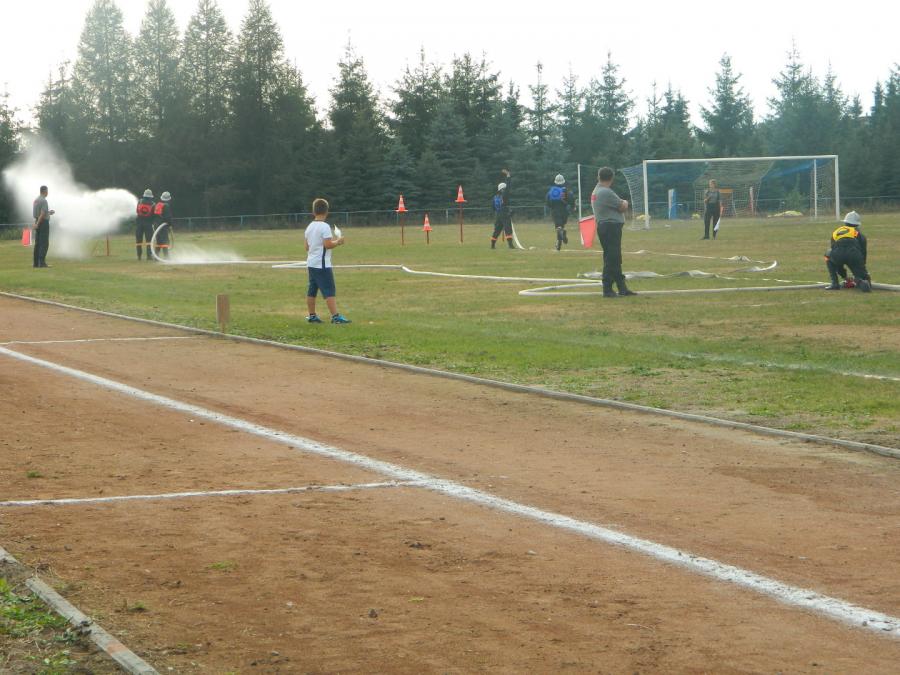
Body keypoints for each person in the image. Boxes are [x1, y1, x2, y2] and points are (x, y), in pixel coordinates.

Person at [305, 198, 351, 324]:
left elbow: (307, 247)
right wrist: (338, 241)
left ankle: (312, 315)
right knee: (329, 290)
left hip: (311, 264)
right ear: (326, 212)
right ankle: (335, 317)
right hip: (322, 265)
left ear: (313, 212)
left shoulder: (309, 227)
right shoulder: (324, 227)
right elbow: (328, 245)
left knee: (312, 290)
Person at [591, 167, 635, 297]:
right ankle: (607, 288)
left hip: (604, 226)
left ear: (599, 177)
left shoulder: (597, 190)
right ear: (611, 178)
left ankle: (622, 287)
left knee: (614, 257)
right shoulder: (606, 192)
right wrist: (625, 202)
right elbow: (622, 206)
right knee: (612, 258)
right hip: (610, 227)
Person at [825, 211, 871, 292]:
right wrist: (862, 271)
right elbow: (863, 253)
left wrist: (843, 275)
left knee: (828, 255)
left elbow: (833, 249)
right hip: (854, 254)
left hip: (838, 254)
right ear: (857, 225)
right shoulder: (858, 233)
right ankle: (860, 281)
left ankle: (835, 283)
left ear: (845, 222)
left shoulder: (836, 231)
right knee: (862, 276)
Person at [31, 185, 54, 268]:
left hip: (37, 220)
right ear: (45, 191)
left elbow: (38, 213)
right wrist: (38, 224)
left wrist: (48, 213)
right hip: (43, 223)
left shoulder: (36, 200)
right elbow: (42, 214)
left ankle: (36, 263)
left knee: (37, 243)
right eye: (47, 191)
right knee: (44, 243)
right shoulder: (44, 201)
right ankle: (42, 263)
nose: (48, 193)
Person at [490, 168, 514, 249]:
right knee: (508, 228)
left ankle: (492, 245)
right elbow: (509, 185)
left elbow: (493, 207)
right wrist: (508, 175)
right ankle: (510, 245)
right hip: (505, 213)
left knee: (497, 230)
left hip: (497, 214)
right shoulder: (505, 194)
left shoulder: (495, 197)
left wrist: (498, 213)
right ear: (503, 188)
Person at [546, 174, 570, 251]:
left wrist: (551, 206)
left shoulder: (551, 191)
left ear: (555, 182)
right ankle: (558, 244)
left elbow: (548, 202)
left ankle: (561, 235)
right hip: (564, 212)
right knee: (561, 227)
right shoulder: (566, 190)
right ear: (563, 181)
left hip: (555, 211)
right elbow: (570, 199)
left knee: (559, 228)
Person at [151, 191, 173, 259]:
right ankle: (166, 257)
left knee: (159, 241)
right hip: (162, 226)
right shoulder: (166, 206)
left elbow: (152, 215)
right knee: (165, 240)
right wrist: (170, 224)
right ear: (168, 199)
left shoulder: (156, 205)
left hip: (156, 225)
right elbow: (167, 217)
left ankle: (156, 257)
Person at [135, 189, 155, 261]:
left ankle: (139, 256)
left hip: (139, 223)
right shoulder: (153, 204)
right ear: (150, 196)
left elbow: (137, 211)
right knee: (149, 241)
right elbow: (153, 215)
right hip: (148, 224)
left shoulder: (140, 201)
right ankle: (149, 256)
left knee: (138, 241)